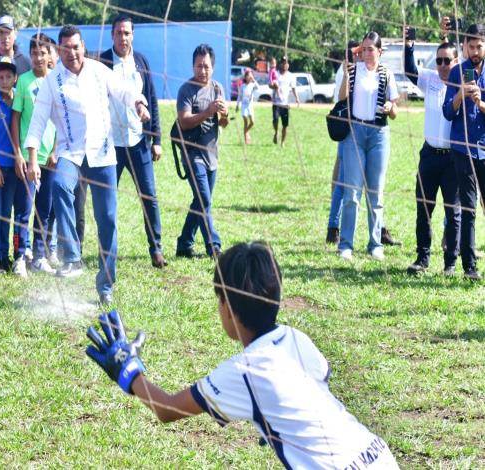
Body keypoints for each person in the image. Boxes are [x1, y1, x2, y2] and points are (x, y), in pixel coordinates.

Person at [84, 242, 399, 469]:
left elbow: (166, 409)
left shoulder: (245, 371)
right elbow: (316, 388)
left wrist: (127, 369)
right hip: (379, 457)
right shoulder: (295, 337)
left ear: (227, 308)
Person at [25, 25, 150, 305]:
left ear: (84, 47)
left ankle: (106, 285)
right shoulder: (52, 81)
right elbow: (37, 122)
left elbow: (125, 91)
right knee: (58, 185)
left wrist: (139, 106)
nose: (72, 53)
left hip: (103, 153)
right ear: (58, 52)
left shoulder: (98, 71)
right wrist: (33, 158)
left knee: (107, 222)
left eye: (76, 47)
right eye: (66, 48)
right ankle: (72, 256)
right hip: (71, 152)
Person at [100, 14, 166, 269]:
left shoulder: (141, 62)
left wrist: (156, 139)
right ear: (112, 35)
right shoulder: (104, 62)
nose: (123, 37)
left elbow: (152, 100)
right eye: (118, 33)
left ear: (132, 35)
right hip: (111, 144)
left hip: (139, 142)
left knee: (149, 196)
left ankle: (156, 248)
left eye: (127, 33)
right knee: (107, 201)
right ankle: (108, 251)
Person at [337, 32, 399, 261]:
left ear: (380, 52)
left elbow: (395, 111)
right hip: (355, 133)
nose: (366, 53)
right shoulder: (353, 71)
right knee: (352, 193)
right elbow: (341, 98)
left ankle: (375, 244)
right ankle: (345, 244)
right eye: (363, 49)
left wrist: (390, 106)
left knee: (376, 193)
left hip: (379, 135)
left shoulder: (387, 73)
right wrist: (345, 74)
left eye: (371, 49)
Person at [404, 32, 460, 276]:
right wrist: (409, 46)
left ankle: (450, 262)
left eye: (447, 61)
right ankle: (422, 258)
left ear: (456, 62)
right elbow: (409, 69)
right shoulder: (429, 79)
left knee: (454, 211)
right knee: (424, 209)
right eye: (439, 61)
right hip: (429, 155)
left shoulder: (462, 84)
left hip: (452, 158)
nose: (443, 66)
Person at [175, 44, 228, 259]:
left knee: (200, 201)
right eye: (198, 66)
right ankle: (213, 246)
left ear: (213, 67)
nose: (202, 71)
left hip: (211, 155)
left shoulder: (218, 89)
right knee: (204, 199)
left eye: (206, 66)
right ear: (193, 66)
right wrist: (207, 112)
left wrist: (223, 115)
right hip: (192, 154)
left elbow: (223, 123)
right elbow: (184, 121)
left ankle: (184, 244)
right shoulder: (186, 90)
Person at [11, 33, 58, 274]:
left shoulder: (57, 82)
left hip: (50, 159)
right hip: (29, 160)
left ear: (51, 55)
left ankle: (40, 256)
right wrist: (19, 154)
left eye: (43, 53)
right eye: (35, 53)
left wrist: (56, 150)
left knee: (45, 210)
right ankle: (19, 256)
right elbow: (16, 118)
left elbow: (62, 120)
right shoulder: (23, 82)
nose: (38, 57)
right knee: (24, 211)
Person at [442, 23, 485, 280]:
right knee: (468, 207)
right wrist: (460, 95)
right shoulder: (458, 71)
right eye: (471, 46)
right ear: (464, 46)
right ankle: (470, 267)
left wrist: (480, 103)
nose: (475, 51)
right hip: (462, 148)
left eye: (479, 46)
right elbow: (448, 112)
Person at [0, 58, 26, 275]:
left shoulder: (18, 101)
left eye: (8, 77)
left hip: (15, 166)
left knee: (8, 212)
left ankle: (7, 254)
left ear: (15, 78)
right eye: (0, 77)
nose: (4, 80)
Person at [326, 41, 360, 245]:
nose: (359, 56)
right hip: (349, 132)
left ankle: (333, 226)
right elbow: (341, 99)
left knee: (341, 180)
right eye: (356, 53)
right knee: (342, 182)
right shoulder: (345, 73)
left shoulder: (356, 70)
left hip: (361, 132)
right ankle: (334, 226)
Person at [270, 57, 299, 147]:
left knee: (285, 124)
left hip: (285, 103)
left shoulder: (290, 76)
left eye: (286, 63)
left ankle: (282, 142)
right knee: (275, 120)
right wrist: (273, 86)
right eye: (283, 63)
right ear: (280, 64)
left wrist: (297, 98)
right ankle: (276, 132)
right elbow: (270, 84)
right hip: (276, 102)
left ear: (288, 65)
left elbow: (293, 88)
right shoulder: (276, 74)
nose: (285, 64)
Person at [236, 68, 257, 144]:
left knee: (252, 122)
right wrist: (237, 105)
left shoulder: (252, 85)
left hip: (250, 106)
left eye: (250, 76)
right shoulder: (242, 86)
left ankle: (246, 131)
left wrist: (253, 80)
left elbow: (257, 87)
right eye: (248, 75)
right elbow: (239, 96)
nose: (249, 77)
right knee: (245, 121)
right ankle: (246, 139)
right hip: (244, 106)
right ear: (245, 77)